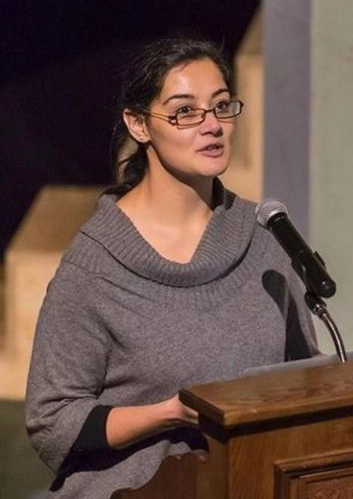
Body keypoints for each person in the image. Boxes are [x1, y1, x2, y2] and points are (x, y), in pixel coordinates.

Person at [25, 38, 319, 498]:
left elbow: (306, 378)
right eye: (185, 112)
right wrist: (169, 413)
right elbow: (52, 420)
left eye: (221, 106)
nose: (212, 125)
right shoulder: (96, 263)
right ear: (139, 124)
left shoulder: (264, 237)